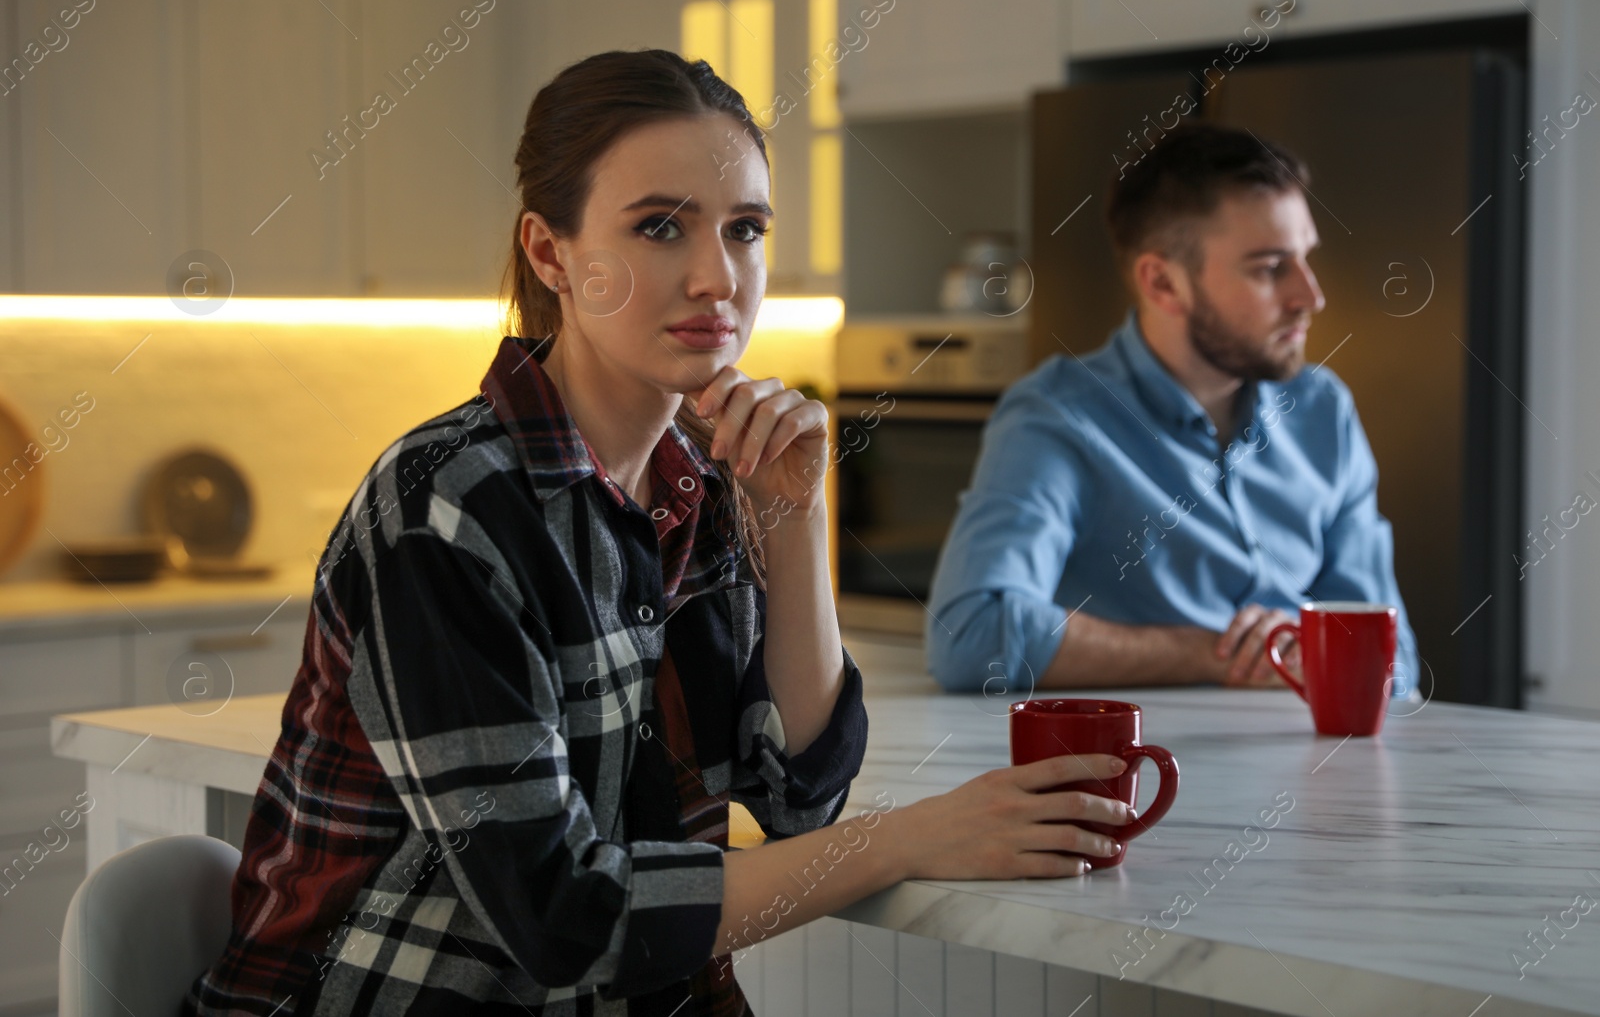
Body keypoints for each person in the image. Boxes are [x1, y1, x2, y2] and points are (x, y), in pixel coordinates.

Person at [184, 50, 1135, 1017]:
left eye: (745, 229)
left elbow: (798, 796)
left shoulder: (707, 482)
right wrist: (912, 837)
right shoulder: (445, 506)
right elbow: (565, 917)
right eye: (659, 227)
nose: (717, 276)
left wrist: (795, 520)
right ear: (552, 254)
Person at [926, 122, 1421, 698]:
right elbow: (969, 637)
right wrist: (1213, 652)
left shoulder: (1323, 412)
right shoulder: (1058, 417)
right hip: (1139, 775)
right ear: (1162, 283)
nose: (1310, 296)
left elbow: (1396, 663)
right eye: (1268, 268)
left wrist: (1311, 651)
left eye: (1306, 258)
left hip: (1321, 773)